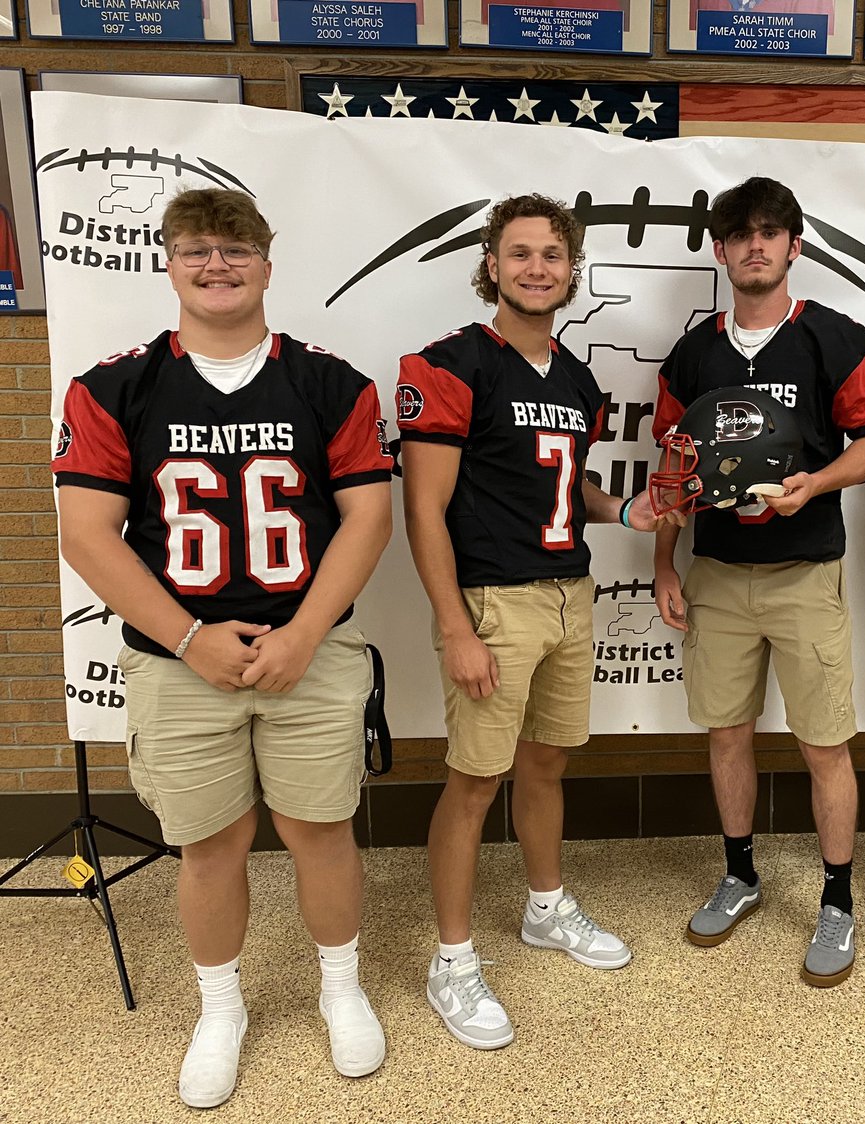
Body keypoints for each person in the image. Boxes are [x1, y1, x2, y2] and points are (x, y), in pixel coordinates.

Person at [53, 189, 393, 1107]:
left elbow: (368, 517)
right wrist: (191, 637)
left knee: (322, 829)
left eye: (236, 250)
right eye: (197, 249)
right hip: (178, 659)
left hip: (309, 645)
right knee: (210, 843)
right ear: (167, 262)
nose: (217, 265)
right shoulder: (112, 385)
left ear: (267, 265)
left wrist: (305, 633)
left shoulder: (331, 382)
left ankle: (340, 986)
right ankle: (221, 1005)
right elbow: (86, 534)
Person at [398, 193, 676, 1049]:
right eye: (518, 253)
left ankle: (545, 909)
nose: (535, 268)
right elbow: (424, 507)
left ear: (570, 271)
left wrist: (625, 513)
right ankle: (452, 960)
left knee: (546, 762)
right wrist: (454, 625)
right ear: (490, 264)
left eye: (551, 256)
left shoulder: (578, 377)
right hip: (494, 599)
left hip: (570, 591)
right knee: (475, 779)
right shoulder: (447, 364)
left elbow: (566, 492)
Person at [652, 176, 865, 987]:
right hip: (717, 573)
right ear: (720, 251)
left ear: (795, 246)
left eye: (770, 232)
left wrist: (816, 485)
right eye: (739, 234)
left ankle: (835, 898)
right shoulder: (693, 353)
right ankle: (741, 873)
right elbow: (674, 466)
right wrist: (663, 562)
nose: (755, 245)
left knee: (824, 742)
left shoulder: (838, 338)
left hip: (804, 572)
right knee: (726, 733)